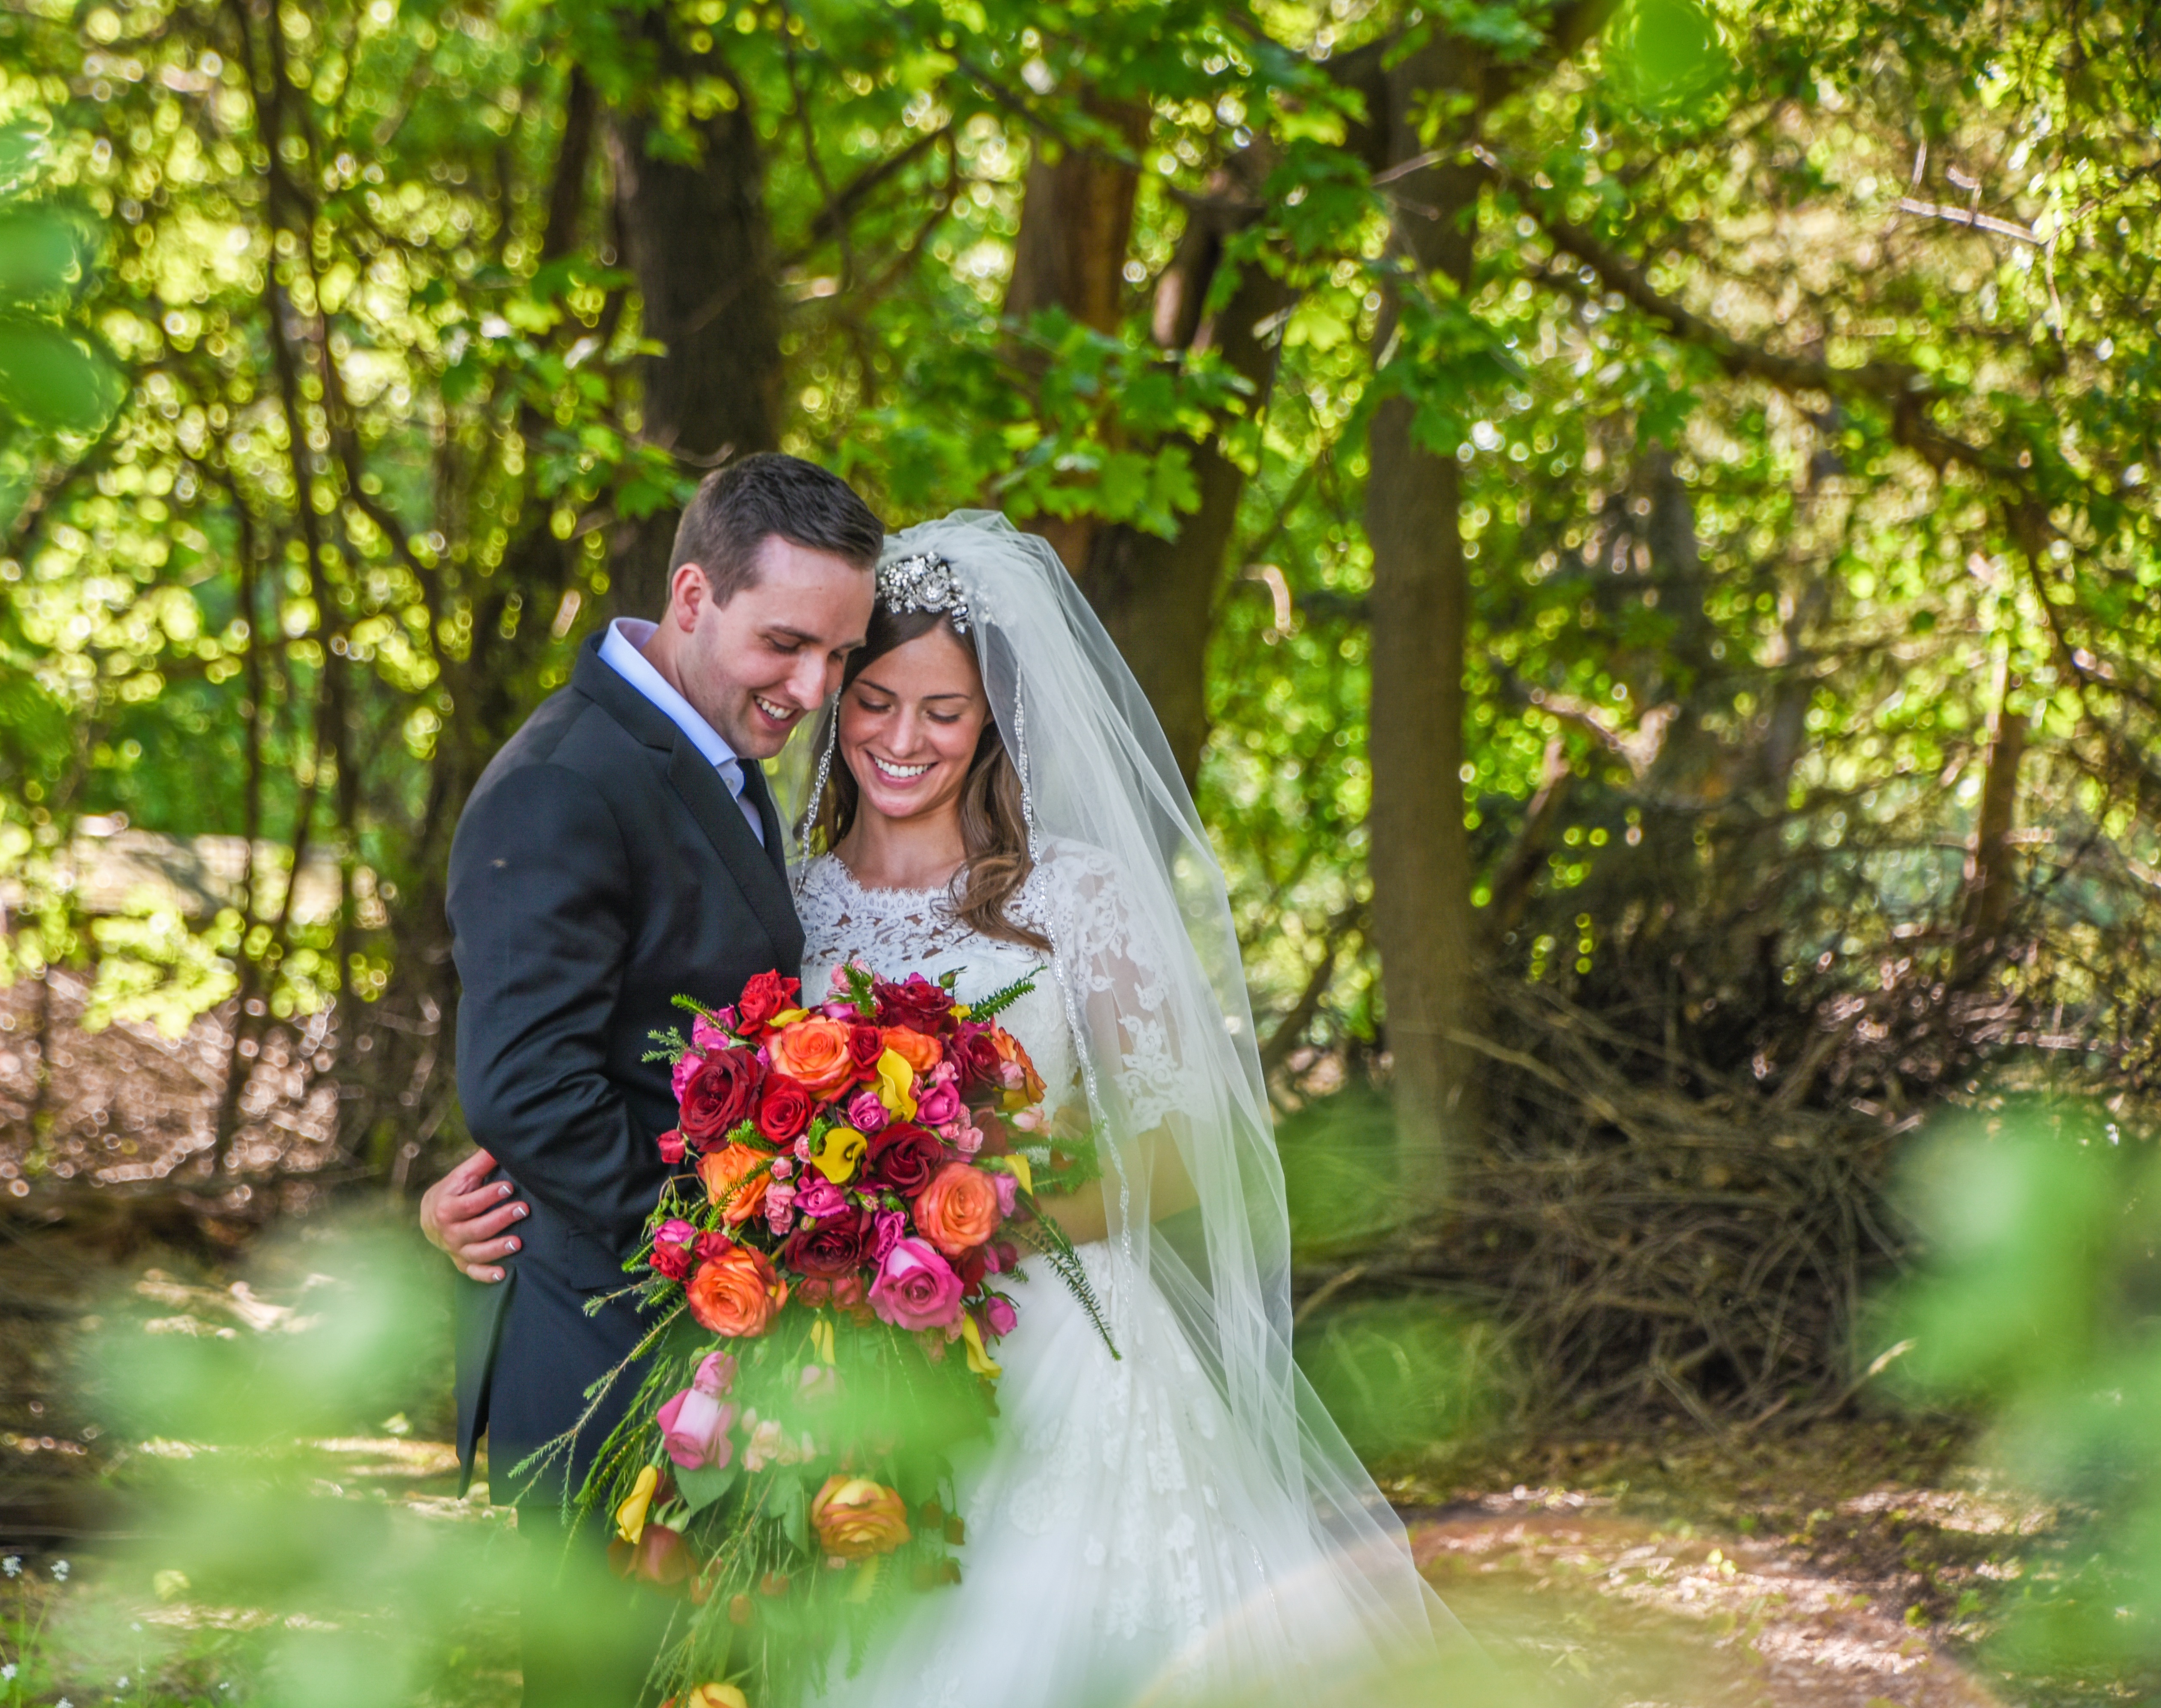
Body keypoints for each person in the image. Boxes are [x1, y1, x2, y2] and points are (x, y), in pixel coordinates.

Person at [778, 512, 1457, 1706]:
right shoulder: (789, 902)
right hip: (843, 1351)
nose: (903, 739)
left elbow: (1187, 1152)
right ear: (837, 703)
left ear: (993, 720)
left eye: (944, 711)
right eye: (876, 702)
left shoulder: (1074, 896)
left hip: (1056, 1338)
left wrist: (993, 1221)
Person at [420, 453, 883, 1708]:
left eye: (839, 657)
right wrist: (742, 1255)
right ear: (692, 595)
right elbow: (527, 1092)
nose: (813, 689)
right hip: (605, 1356)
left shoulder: (702, 761)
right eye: (787, 644)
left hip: (687, 1352)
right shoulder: (571, 781)